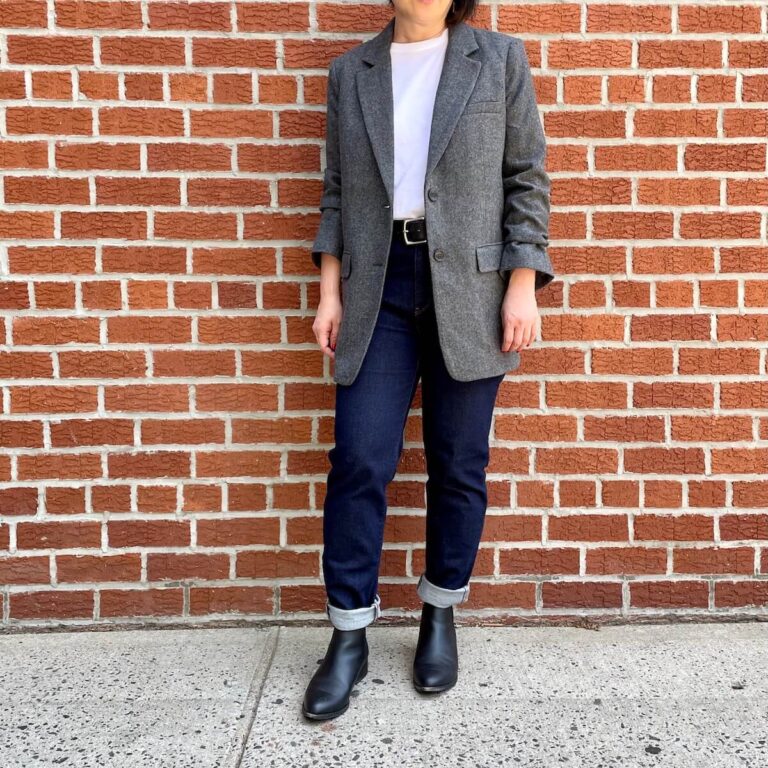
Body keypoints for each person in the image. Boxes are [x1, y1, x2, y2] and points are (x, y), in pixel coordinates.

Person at [303, 0, 554, 720]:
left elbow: (526, 179)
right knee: (359, 459)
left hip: (471, 289)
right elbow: (337, 191)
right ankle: (348, 635)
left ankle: (440, 612)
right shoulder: (352, 72)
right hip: (376, 288)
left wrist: (522, 284)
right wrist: (330, 292)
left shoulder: (498, 60)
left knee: (459, 462)